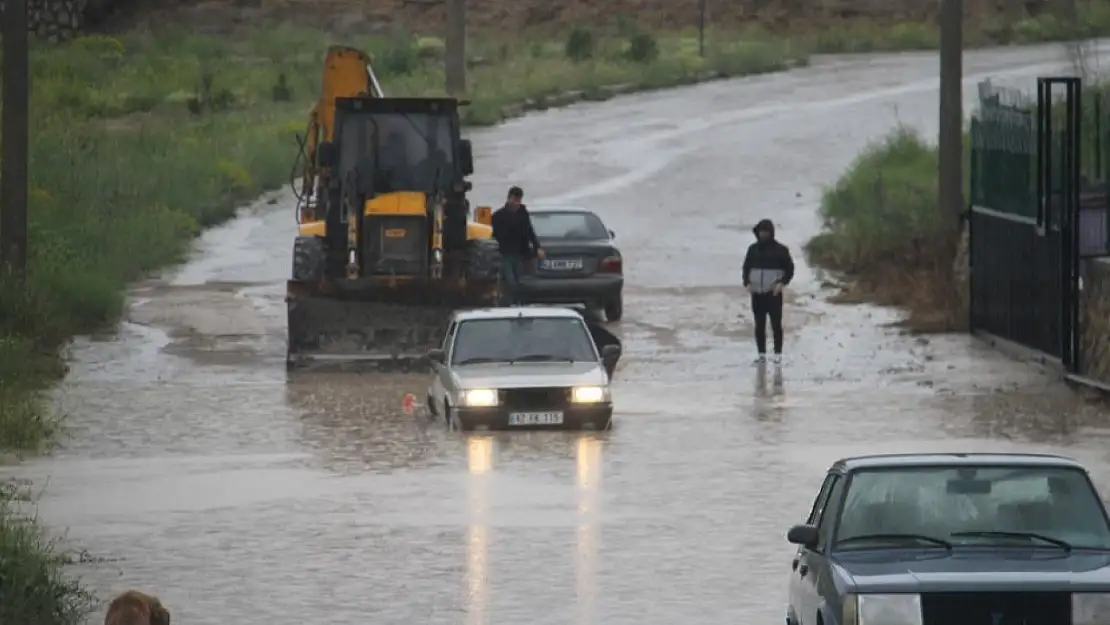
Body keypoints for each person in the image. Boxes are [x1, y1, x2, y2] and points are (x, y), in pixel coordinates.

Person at [742, 218, 795, 364]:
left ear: (771, 232)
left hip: (774, 293)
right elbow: (746, 268)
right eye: (761, 232)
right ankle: (761, 355)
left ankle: (778, 355)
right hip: (757, 293)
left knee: (776, 324)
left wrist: (782, 283)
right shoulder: (752, 249)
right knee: (759, 325)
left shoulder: (781, 250)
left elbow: (790, 269)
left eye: (765, 232)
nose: (763, 234)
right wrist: (746, 283)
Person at [491, 186, 545, 305]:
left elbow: (530, 232)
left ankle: (517, 302)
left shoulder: (523, 214)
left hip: (520, 253)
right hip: (504, 254)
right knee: (511, 281)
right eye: (514, 200)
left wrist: (538, 247)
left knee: (519, 280)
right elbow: (493, 236)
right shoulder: (498, 216)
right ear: (508, 199)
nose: (516, 203)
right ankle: (509, 302)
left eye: (518, 200)